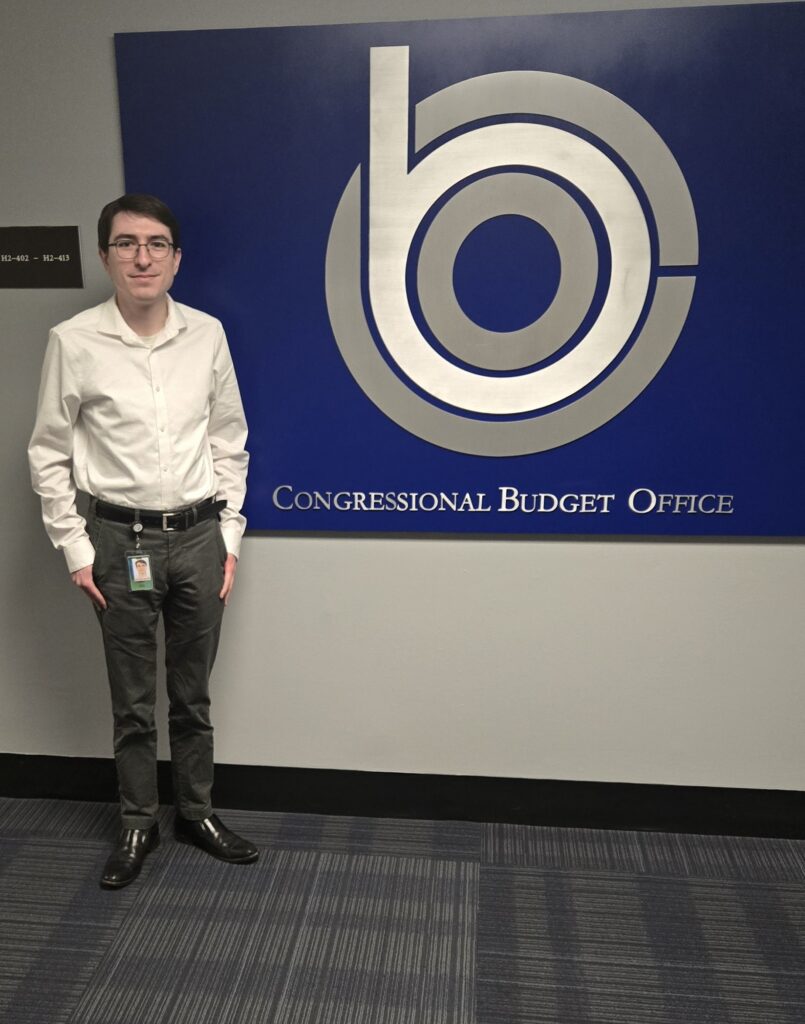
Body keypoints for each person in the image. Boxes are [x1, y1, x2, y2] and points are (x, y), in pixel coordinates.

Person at [28, 193, 258, 889]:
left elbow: (229, 439)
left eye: (156, 243)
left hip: (197, 540)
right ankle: (137, 821)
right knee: (132, 702)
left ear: (176, 257)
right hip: (115, 541)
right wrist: (74, 549)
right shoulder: (75, 341)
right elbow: (47, 453)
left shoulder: (206, 335)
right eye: (126, 244)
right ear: (105, 257)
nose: (142, 257)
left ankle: (197, 810)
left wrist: (229, 535)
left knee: (191, 696)